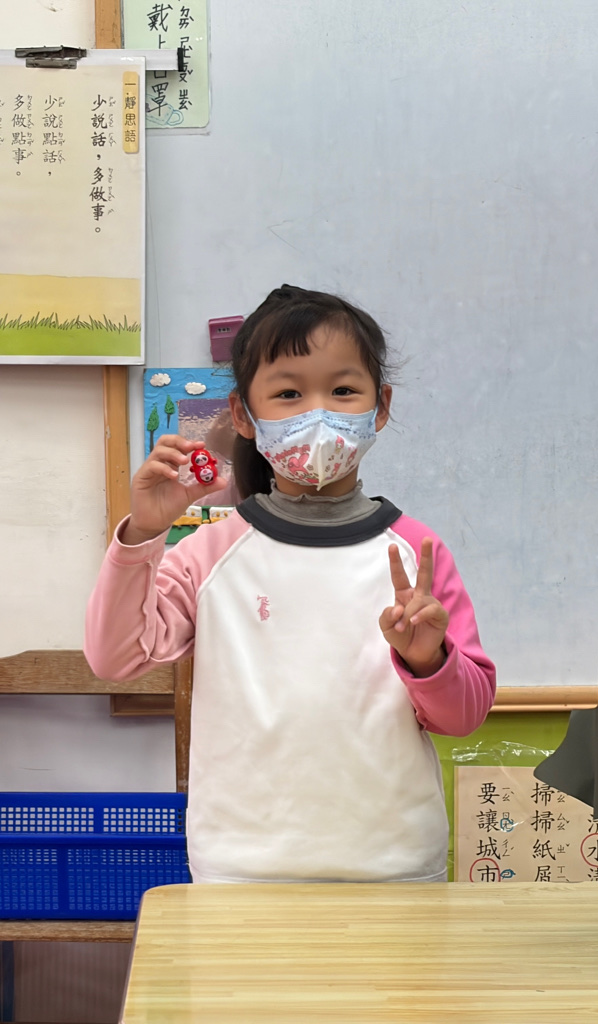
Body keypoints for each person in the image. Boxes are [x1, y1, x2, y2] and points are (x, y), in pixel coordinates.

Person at [85, 285, 496, 884]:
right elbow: (115, 658)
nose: (318, 414)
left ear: (380, 406)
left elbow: (464, 717)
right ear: (243, 416)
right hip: (240, 873)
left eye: (343, 390)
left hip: (395, 870)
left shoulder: (416, 554)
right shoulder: (209, 555)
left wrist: (428, 660)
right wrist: (144, 532)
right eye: (288, 394)